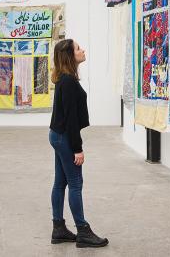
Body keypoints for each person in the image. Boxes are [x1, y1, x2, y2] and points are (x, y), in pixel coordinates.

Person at [48, 39, 108, 248]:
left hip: (57, 135)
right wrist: (77, 149)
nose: (82, 50)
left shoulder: (64, 78)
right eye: (78, 49)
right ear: (69, 55)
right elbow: (71, 119)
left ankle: (59, 229)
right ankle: (83, 231)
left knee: (60, 182)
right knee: (75, 183)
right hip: (64, 137)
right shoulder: (69, 82)